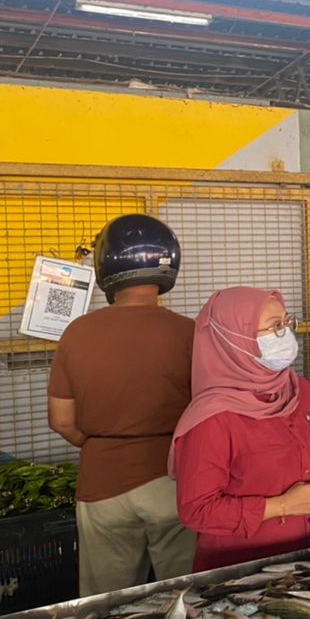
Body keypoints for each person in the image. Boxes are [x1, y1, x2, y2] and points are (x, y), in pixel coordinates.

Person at [48, 213, 196, 596]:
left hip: (102, 483)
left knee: (107, 603)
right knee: (186, 597)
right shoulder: (190, 332)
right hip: (175, 479)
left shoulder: (77, 332)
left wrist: (104, 445)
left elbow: (61, 420)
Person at [172, 288, 310, 571]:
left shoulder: (298, 390)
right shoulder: (213, 418)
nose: (286, 334)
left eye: (287, 322)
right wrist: (281, 506)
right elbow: (197, 510)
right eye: (275, 327)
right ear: (234, 339)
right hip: (244, 572)